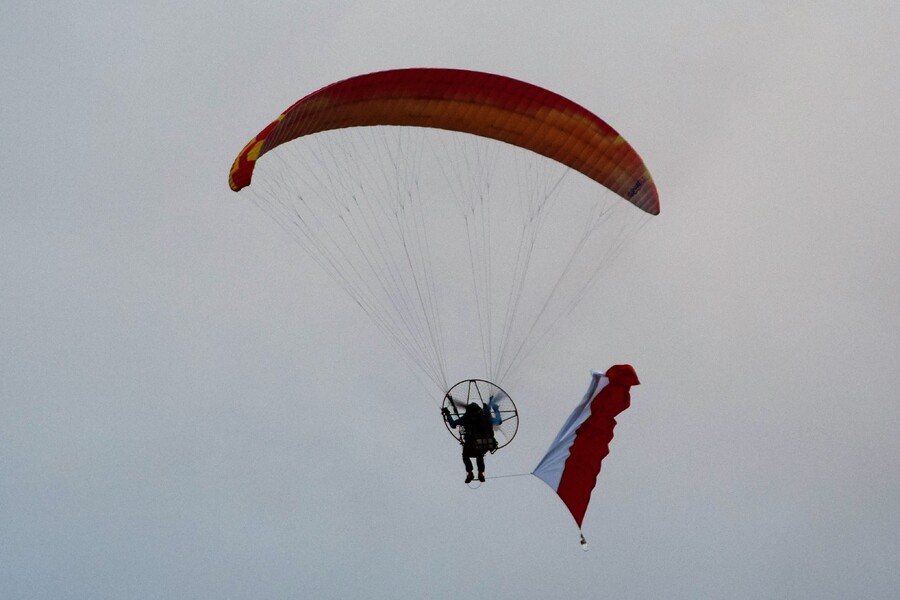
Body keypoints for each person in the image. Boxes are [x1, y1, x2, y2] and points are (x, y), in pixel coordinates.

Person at [442, 398, 502, 483]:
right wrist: (496, 409)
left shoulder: (467, 417)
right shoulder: (486, 417)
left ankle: (470, 473)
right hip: (488, 444)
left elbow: (453, 424)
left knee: (465, 455)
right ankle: (481, 473)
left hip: (472, 444)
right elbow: (498, 421)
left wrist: (447, 414)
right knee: (480, 455)